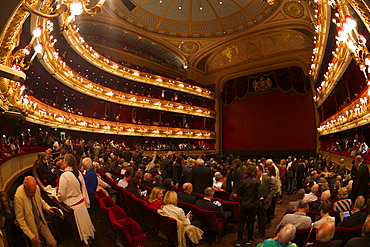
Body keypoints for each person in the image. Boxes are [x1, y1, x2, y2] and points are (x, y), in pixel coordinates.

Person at [57, 154, 95, 245]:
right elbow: (83, 188)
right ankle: (88, 239)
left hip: (72, 205)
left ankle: (83, 241)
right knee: (84, 225)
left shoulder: (64, 175)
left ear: (66, 162)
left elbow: (61, 194)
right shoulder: (77, 172)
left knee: (79, 228)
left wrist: (58, 199)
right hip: (81, 202)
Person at [14, 176, 58, 247]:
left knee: (53, 243)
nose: (34, 194)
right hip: (30, 225)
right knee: (38, 245)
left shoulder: (36, 188)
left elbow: (40, 200)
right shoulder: (18, 197)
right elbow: (20, 220)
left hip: (39, 221)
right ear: (25, 187)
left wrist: (48, 208)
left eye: (34, 191)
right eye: (31, 192)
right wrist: (31, 236)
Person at [234, 164, 261, 246]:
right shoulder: (257, 181)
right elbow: (259, 194)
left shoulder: (242, 181)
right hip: (253, 206)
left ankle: (239, 240)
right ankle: (249, 239)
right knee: (250, 223)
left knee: (241, 223)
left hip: (244, 204)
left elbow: (238, 193)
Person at [256, 164, 277, 238]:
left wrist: (269, 197)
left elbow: (275, 188)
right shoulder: (253, 179)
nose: (256, 173)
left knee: (262, 217)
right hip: (255, 201)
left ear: (261, 171)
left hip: (264, 201)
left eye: (257, 171)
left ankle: (262, 231)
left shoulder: (267, 179)